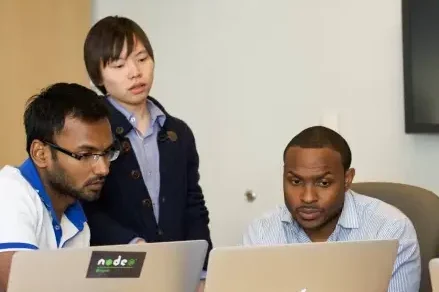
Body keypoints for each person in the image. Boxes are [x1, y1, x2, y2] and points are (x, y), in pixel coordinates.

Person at [82, 15, 212, 288]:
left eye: (142, 59)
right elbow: (83, 206)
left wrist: (202, 271)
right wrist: (134, 245)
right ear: (98, 77)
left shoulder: (178, 133)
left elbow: (193, 207)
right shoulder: (89, 132)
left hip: (174, 269)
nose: (135, 72)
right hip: (114, 267)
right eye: (118, 65)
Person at [243, 126, 421, 292]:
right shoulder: (262, 233)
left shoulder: (390, 230)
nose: (308, 197)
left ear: (347, 180)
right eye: (296, 182)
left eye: (323, 183)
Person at [0, 83, 119, 291]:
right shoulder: (9, 193)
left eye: (107, 152)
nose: (103, 169)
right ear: (40, 154)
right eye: (85, 155)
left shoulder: (75, 216)